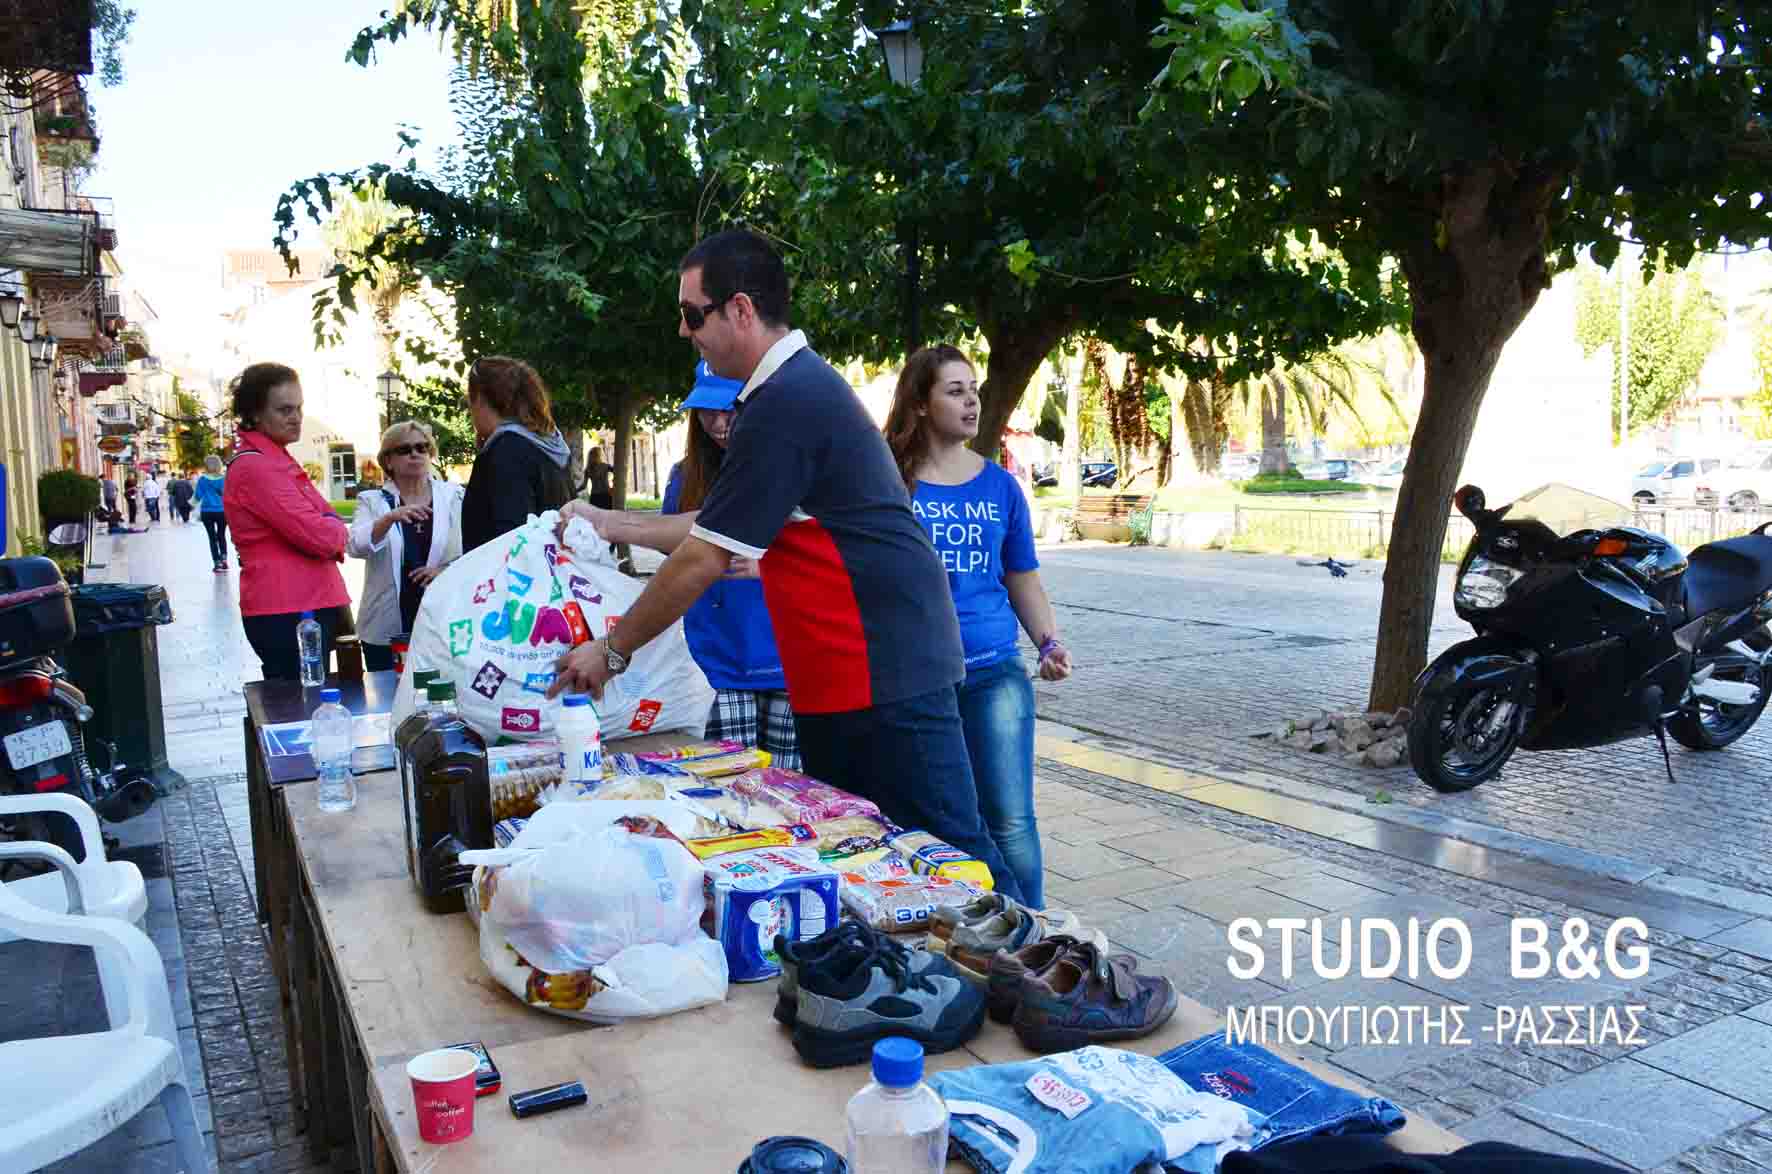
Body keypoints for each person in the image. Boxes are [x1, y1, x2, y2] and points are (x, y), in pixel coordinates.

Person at [552, 229, 1023, 902]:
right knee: (864, 854)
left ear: (741, 310)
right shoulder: (780, 396)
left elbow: (704, 555)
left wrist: (612, 651)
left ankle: (1049, 957)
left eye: (692, 315)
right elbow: (718, 528)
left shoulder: (788, 400)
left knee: (954, 854)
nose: (685, 332)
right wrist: (611, 525)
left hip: (885, 665)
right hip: (838, 673)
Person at [885, 345, 1075, 907]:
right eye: (955, 391)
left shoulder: (1000, 487)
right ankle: (945, 927)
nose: (971, 402)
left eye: (973, 390)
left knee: (1009, 820)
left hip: (994, 673)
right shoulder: (890, 484)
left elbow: (1021, 575)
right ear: (921, 403)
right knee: (928, 818)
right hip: (916, 679)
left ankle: (1034, 932)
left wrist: (1048, 641)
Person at [599, 361, 802, 769]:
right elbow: (676, 551)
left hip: (789, 658)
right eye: (707, 411)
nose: (718, 423)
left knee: (788, 787)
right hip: (715, 662)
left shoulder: (794, 468)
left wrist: (770, 564)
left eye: (729, 410)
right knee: (725, 783)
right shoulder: (686, 475)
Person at [221, 362, 352, 681]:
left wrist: (330, 524)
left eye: (299, 408)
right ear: (255, 414)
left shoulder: (275, 459)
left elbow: (327, 520)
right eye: (284, 410)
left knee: (316, 697)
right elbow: (322, 535)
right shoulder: (256, 467)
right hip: (288, 607)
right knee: (299, 701)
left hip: (308, 601)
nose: (296, 418)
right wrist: (332, 527)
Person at [347, 421, 465, 671]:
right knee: (387, 691)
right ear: (388, 460)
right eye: (405, 449)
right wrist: (389, 519)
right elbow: (355, 546)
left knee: (439, 689)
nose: (415, 454)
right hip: (385, 625)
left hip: (442, 621)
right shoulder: (372, 501)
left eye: (422, 447)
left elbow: (475, 551)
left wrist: (445, 571)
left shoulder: (455, 496)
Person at [460, 356, 572, 553]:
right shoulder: (551, 447)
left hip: (511, 571)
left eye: (470, 401)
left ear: (481, 400)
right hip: (551, 565)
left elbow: (511, 540)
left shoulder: (506, 451)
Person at [195, 455, 229, 572]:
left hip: (207, 512)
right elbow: (227, 494)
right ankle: (224, 559)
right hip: (222, 511)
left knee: (212, 537)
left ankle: (217, 563)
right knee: (221, 535)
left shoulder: (202, 479)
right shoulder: (223, 478)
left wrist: (189, 505)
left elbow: (197, 496)